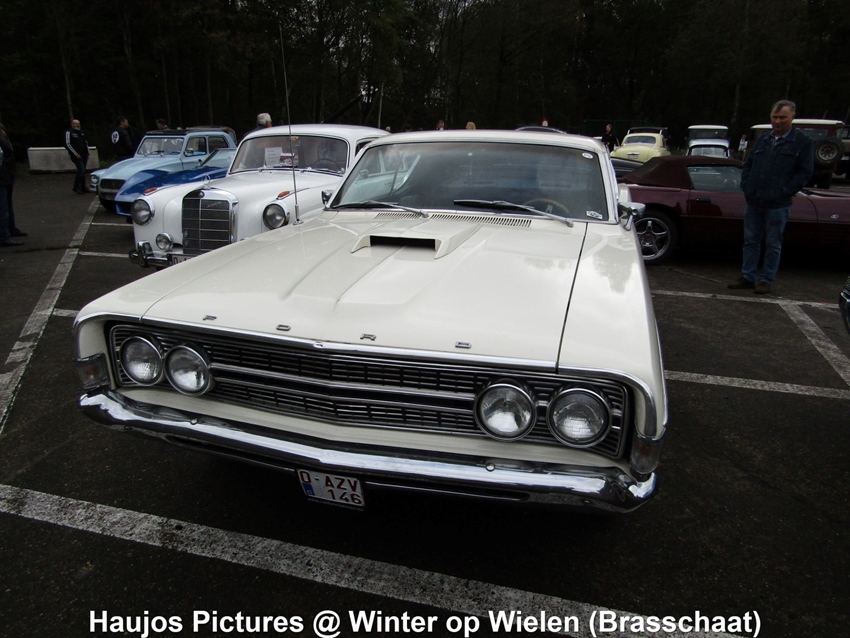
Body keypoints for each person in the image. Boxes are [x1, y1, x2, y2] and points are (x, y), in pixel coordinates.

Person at [728, 100, 813, 294]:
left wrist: (785, 191)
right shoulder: (764, 139)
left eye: (782, 117)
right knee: (750, 241)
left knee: (773, 243)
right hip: (754, 200)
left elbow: (805, 172)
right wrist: (747, 186)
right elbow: (748, 164)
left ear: (792, 117)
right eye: (774, 117)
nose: (778, 121)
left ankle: (766, 280)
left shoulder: (802, 142)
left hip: (778, 204)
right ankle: (747, 277)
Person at [0, 123, 23, 246]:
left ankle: (10, 229)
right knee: (3, 207)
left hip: (6, 175)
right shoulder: (2, 141)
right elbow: (7, 152)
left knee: (7, 204)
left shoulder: (4, 139)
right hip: (3, 176)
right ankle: (4, 235)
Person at [65, 119, 90, 193]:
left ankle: (83, 187)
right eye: (75, 123)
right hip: (76, 155)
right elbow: (68, 144)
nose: (77, 125)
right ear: (72, 124)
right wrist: (75, 154)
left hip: (84, 154)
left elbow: (85, 142)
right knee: (81, 170)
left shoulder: (81, 132)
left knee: (83, 171)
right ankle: (76, 187)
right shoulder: (69, 132)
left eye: (78, 123)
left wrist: (87, 152)